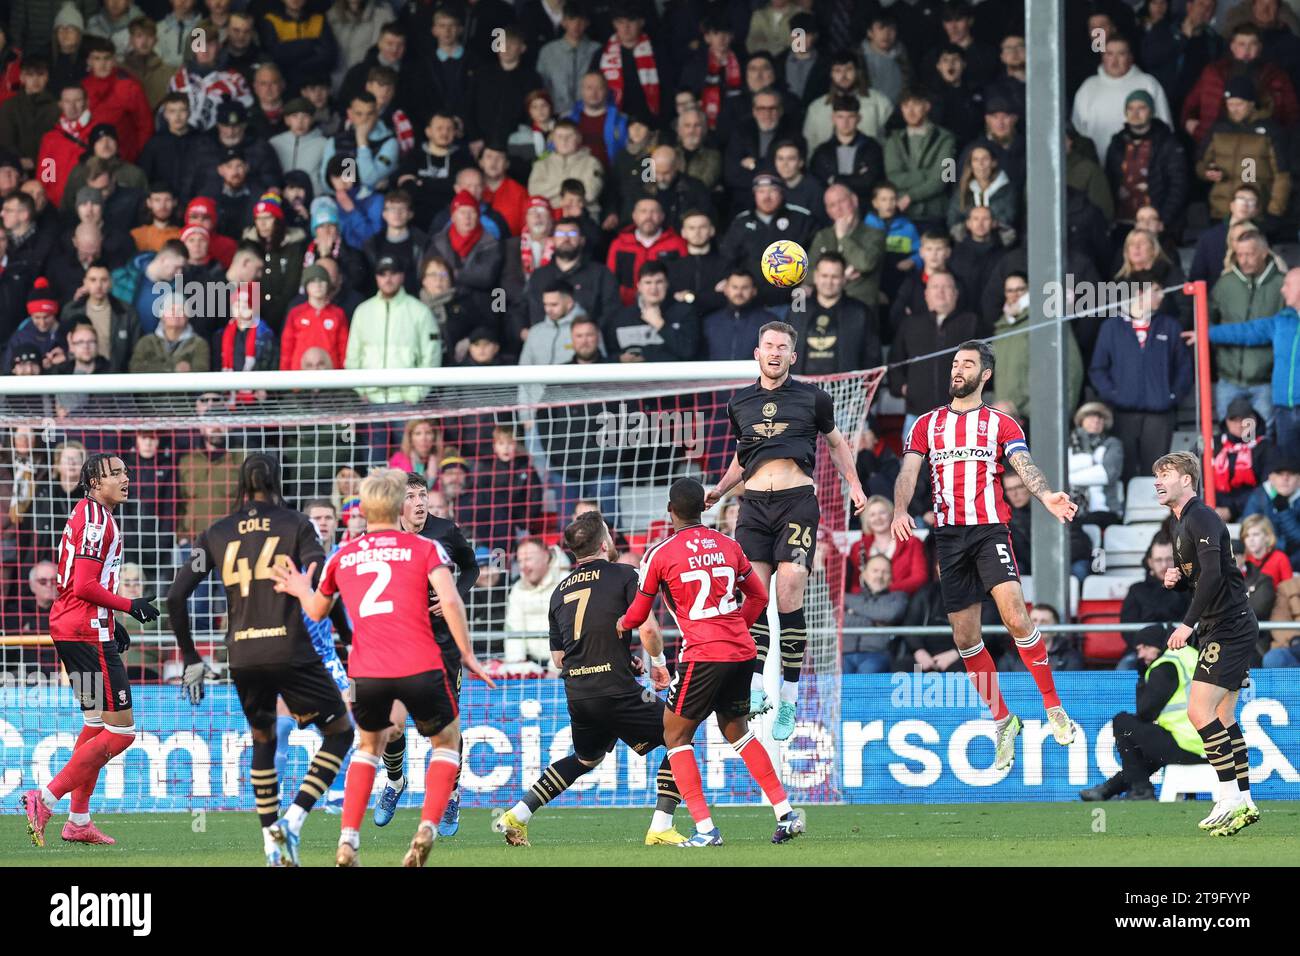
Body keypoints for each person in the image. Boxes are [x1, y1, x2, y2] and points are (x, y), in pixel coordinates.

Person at [272, 468, 493, 867]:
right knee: (446, 742)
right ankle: (426, 825)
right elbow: (454, 603)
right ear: (396, 505)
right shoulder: (424, 550)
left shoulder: (344, 554)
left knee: (366, 747)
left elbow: (319, 611)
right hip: (420, 661)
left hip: (367, 669)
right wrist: (469, 654)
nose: (419, 502)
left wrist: (301, 588)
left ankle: (348, 840)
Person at [892, 341, 1078, 770]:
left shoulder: (1000, 423)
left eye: (967, 364)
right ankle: (1003, 720)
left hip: (989, 529)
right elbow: (908, 471)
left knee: (1015, 616)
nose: (958, 370)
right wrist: (900, 508)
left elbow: (1023, 463)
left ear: (985, 374)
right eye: (955, 363)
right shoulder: (926, 424)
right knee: (964, 639)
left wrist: (1046, 494)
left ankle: (1052, 706)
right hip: (949, 537)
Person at [166, 454, 353, 866]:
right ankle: (294, 820)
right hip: (290, 648)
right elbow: (322, 579)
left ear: (241, 484)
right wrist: (350, 635)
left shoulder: (216, 532)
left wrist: (191, 656)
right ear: (276, 481)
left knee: (263, 739)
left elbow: (175, 596)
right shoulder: (295, 523)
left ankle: (272, 846)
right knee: (340, 732)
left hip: (244, 654)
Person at [617, 478, 802, 847]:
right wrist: (736, 627)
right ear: (704, 508)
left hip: (703, 655)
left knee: (675, 734)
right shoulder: (729, 545)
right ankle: (786, 813)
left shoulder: (660, 552)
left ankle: (705, 830)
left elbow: (639, 613)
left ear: (670, 511)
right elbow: (759, 595)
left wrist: (620, 625)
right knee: (737, 730)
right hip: (741, 651)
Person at [704, 322, 866, 740]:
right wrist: (720, 491)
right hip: (753, 507)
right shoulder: (739, 402)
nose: (775, 352)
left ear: (793, 357)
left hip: (796, 504)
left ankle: (790, 699)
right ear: (757, 353)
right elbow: (743, 459)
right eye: (769, 345)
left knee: (789, 589)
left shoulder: (813, 398)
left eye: (783, 347)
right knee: (753, 596)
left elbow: (836, 442)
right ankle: (757, 688)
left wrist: (855, 483)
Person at [495, 511, 685, 846]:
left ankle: (517, 815)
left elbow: (559, 657)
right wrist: (657, 663)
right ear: (604, 542)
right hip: (616, 690)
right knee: (680, 734)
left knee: (586, 758)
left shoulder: (558, 592)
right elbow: (650, 629)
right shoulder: (626, 574)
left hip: (579, 693)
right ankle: (660, 826)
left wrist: (620, 657)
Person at [21, 453, 160, 849]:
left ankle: (78, 822)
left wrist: (113, 622)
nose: (125, 477)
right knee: (122, 734)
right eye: (114, 473)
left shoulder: (90, 513)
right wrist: (129, 606)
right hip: (83, 629)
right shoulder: (97, 519)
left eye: (125, 471)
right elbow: (83, 585)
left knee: (97, 724)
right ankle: (45, 800)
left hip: (77, 626)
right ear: (94, 483)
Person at [1154, 451, 1260, 835]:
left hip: (1228, 627)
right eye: (1156, 475)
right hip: (1227, 625)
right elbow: (1203, 574)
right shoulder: (1179, 522)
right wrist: (1178, 577)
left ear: (1187, 479)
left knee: (1199, 712)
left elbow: (1214, 575)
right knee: (1225, 717)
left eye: (1165, 473)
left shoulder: (1201, 515)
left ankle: (1228, 798)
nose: (1157, 481)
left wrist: (1186, 624)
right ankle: (1244, 800)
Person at [370, 472, 480, 837]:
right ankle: (396, 782)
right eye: (411, 496)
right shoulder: (384, 535)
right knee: (392, 724)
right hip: (399, 642)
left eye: (423, 495)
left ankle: (451, 792)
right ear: (397, 504)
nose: (420, 502)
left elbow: (472, 567)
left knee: (446, 726)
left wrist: (452, 596)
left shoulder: (445, 531)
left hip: (442, 644)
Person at [1079, 624, 1207, 801]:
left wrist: (1142, 678)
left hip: (1187, 746)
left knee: (1123, 723)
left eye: (1145, 648)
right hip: (1211, 746)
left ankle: (1140, 790)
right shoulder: (1191, 656)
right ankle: (1108, 789)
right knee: (1146, 750)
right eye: (1138, 650)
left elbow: (1145, 712)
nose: (1141, 655)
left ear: (1158, 644)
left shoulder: (1166, 665)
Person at [1089, 282, 1193, 481]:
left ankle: (1155, 511)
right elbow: (1098, 368)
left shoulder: (1169, 326)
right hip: (1122, 413)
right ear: (1138, 293)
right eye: (1156, 291)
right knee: (1123, 469)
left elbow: (1185, 368)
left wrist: (1171, 396)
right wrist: (1114, 395)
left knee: (1157, 471)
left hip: (1160, 414)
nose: (1162, 296)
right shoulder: (1111, 327)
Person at [1205, 266, 1300, 455]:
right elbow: (1246, 331)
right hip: (1284, 408)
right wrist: (1205, 333)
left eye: (1287, 285)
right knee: (1288, 465)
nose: (1282, 290)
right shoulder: (1282, 321)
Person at [841, 555, 907, 673]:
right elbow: (841, 620)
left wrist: (854, 611)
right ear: (864, 574)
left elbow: (890, 614)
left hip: (877, 655)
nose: (879, 576)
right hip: (844, 655)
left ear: (891, 577)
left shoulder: (898, 597)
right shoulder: (848, 598)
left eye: (885, 572)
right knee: (838, 679)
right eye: (875, 571)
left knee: (867, 675)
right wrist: (875, 622)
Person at [1068, 401, 1124, 527]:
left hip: (1104, 510)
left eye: (1101, 417)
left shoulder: (1111, 444)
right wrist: (1091, 462)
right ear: (1081, 420)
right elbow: (1057, 471)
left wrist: (1069, 477)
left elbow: (1107, 474)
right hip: (1072, 510)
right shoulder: (1067, 445)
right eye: (1091, 416)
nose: (1096, 420)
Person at [1241, 456, 1300, 562]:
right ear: (1271, 477)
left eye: (1290, 474)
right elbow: (1248, 532)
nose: (1285, 479)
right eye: (1279, 474)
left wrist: (1284, 511)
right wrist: (1283, 547)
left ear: (1299, 479)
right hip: (1265, 559)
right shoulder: (1258, 497)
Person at [1240, 513, 1292, 588]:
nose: (1251, 539)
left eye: (1255, 534)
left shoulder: (1280, 558)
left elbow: (1290, 590)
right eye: (1247, 535)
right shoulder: (1243, 559)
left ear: (1267, 537)